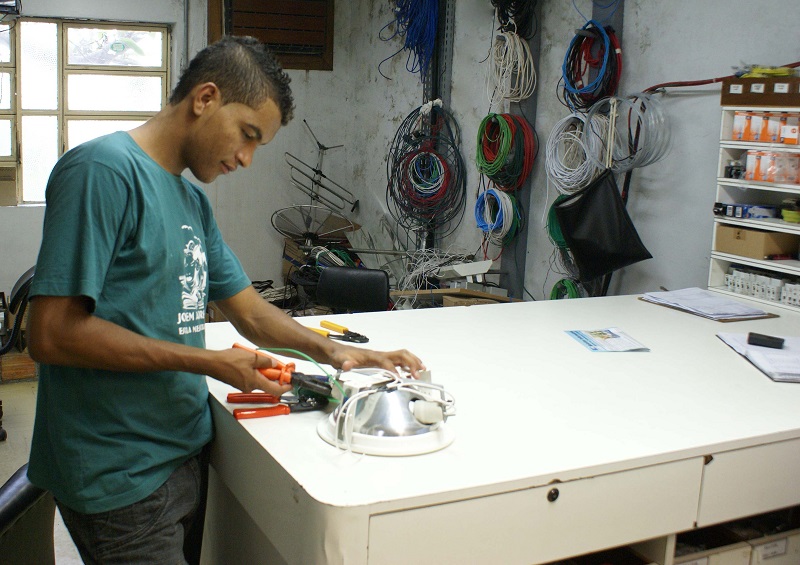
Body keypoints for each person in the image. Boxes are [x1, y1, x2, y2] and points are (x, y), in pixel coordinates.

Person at [26, 35, 424, 565]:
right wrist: (210, 362)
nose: (246, 159)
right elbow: (52, 334)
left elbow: (250, 311)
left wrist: (335, 351)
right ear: (206, 98)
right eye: (248, 135)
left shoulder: (191, 200)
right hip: (119, 472)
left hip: (183, 452)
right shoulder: (102, 171)